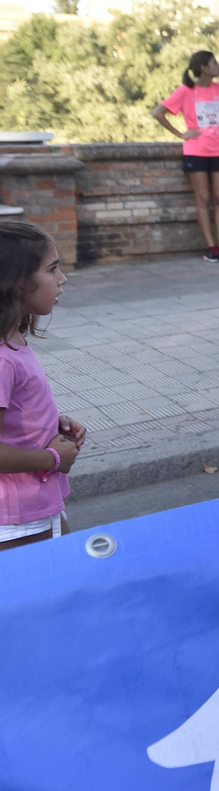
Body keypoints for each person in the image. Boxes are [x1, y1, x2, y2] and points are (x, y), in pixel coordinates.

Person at [0, 222, 85, 550]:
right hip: (17, 515)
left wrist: (51, 421)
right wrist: (51, 458)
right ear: (15, 283)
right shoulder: (3, 358)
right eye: (52, 270)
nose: (62, 280)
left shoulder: (13, 339)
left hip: (35, 502)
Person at [151, 50, 219, 263]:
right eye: (215, 63)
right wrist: (180, 134)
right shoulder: (186, 91)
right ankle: (211, 247)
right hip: (195, 151)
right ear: (204, 68)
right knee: (203, 199)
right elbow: (158, 112)